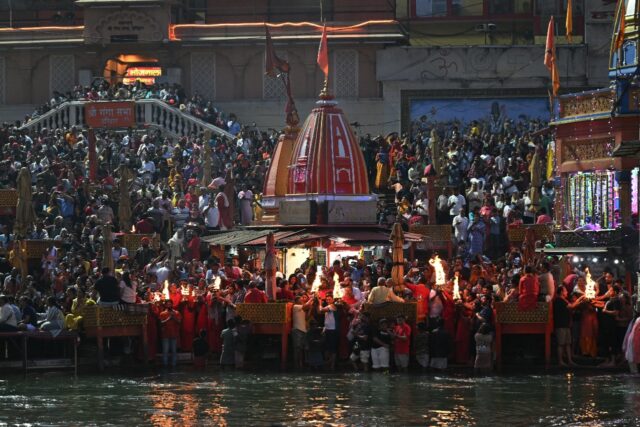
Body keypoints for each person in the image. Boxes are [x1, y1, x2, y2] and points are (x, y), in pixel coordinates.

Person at [554, 286, 584, 367]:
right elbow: (571, 306)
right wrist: (581, 299)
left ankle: (570, 361)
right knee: (561, 344)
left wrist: (581, 298)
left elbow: (572, 305)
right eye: (565, 291)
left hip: (566, 325)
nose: (567, 292)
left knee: (567, 343)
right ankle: (561, 361)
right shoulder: (559, 300)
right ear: (561, 292)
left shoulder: (564, 300)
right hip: (561, 325)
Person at [159, 299, 182, 369]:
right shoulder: (162, 313)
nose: (169, 305)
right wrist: (168, 318)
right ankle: (165, 366)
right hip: (165, 335)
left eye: (170, 304)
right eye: (167, 304)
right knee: (165, 351)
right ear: (165, 305)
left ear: (172, 305)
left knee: (174, 351)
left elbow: (179, 322)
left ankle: (174, 366)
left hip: (174, 334)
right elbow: (160, 323)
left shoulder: (177, 313)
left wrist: (174, 318)